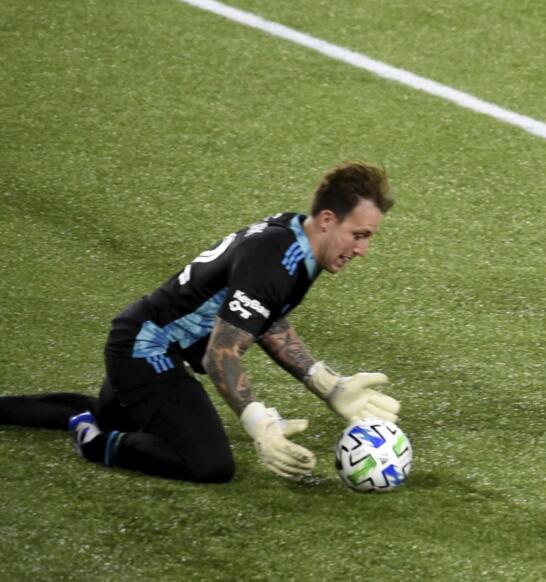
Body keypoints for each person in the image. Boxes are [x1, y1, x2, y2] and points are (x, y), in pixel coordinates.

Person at [0, 162, 401, 482]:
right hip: (147, 352)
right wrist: (258, 422)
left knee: (115, 414)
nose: (363, 250)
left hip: (145, 343)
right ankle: (93, 441)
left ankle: (71, 416)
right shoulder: (275, 259)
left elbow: (267, 318)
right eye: (359, 234)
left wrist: (325, 383)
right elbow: (220, 353)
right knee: (209, 464)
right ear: (329, 220)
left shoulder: (296, 239)